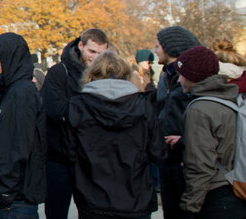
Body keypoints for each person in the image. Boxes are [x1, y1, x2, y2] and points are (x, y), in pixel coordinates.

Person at [62, 51, 166, 218]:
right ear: (124, 74)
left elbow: (68, 152)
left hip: (92, 197)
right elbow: (158, 152)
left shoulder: (77, 106)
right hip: (134, 197)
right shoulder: (142, 105)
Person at [41, 28, 109, 219]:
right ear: (81, 46)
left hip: (90, 158)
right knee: (56, 211)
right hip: (58, 158)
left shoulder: (105, 74)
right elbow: (56, 112)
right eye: (92, 52)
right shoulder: (59, 72)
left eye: (101, 53)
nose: (95, 58)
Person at [0, 33, 46, 219]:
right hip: (11, 196)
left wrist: (4, 194)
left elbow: (16, 148)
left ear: (10, 58)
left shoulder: (20, 93)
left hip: (16, 199)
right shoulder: (9, 90)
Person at [175, 46, 246, 217]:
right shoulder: (231, 99)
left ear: (194, 76)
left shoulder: (199, 110)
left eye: (181, 74)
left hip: (216, 194)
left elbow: (200, 166)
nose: (178, 80)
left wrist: (189, 207)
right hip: (235, 189)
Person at [153, 26, 201, 219]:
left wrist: (185, 140)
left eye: (158, 46)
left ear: (170, 47)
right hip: (166, 158)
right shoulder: (165, 76)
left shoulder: (191, 78)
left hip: (184, 160)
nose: (155, 50)